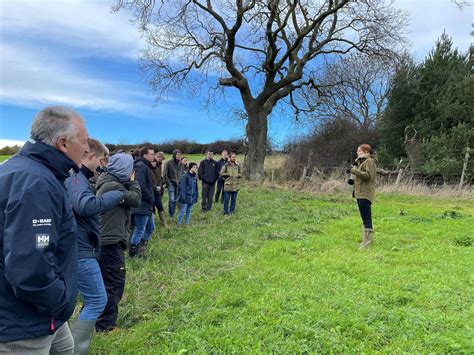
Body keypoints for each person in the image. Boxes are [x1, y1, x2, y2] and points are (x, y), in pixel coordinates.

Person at [0, 106, 89, 353]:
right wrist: (61, 301)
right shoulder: (36, 184)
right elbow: (29, 269)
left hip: (43, 316)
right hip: (25, 323)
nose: (87, 148)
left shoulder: (23, 169)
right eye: (84, 141)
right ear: (62, 143)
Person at [64, 138, 124, 354]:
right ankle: (74, 350)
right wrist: (117, 195)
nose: (101, 164)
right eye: (100, 159)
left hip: (79, 246)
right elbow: (85, 206)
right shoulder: (76, 179)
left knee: (77, 300)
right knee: (98, 299)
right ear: (89, 155)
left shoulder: (78, 178)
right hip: (79, 250)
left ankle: (67, 347)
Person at [95, 153, 141, 332]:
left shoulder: (108, 181)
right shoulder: (113, 186)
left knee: (105, 283)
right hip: (110, 242)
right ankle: (106, 326)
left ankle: (97, 320)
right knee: (113, 283)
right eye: (130, 168)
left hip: (108, 240)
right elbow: (136, 199)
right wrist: (133, 181)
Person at [347, 144, 377, 249]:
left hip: (365, 193)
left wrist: (354, 171)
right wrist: (352, 179)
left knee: (366, 218)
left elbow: (369, 176)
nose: (357, 152)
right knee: (364, 218)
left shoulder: (370, 161)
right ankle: (365, 242)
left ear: (366, 152)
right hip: (360, 193)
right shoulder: (362, 162)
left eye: (359, 150)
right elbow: (360, 177)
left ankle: (366, 244)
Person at [129, 146, 156, 258]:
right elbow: (140, 185)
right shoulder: (140, 166)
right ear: (144, 155)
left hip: (147, 205)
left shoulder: (145, 166)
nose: (153, 156)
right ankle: (133, 253)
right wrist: (150, 197)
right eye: (152, 154)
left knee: (150, 227)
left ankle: (141, 249)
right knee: (140, 228)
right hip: (141, 204)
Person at [163, 149, 183, 218]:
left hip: (178, 184)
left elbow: (181, 173)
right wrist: (168, 183)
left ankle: (173, 214)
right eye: (177, 154)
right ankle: (171, 215)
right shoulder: (168, 163)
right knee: (171, 199)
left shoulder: (180, 163)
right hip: (171, 183)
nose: (179, 156)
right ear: (174, 155)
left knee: (175, 200)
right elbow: (165, 174)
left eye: (180, 155)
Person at [151, 151, 167, 227]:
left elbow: (159, 176)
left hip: (158, 189)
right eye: (160, 158)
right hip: (151, 189)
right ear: (156, 156)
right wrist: (154, 186)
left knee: (160, 206)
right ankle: (151, 224)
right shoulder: (149, 164)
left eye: (162, 159)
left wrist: (162, 183)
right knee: (151, 208)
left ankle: (164, 224)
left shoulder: (159, 165)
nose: (161, 160)